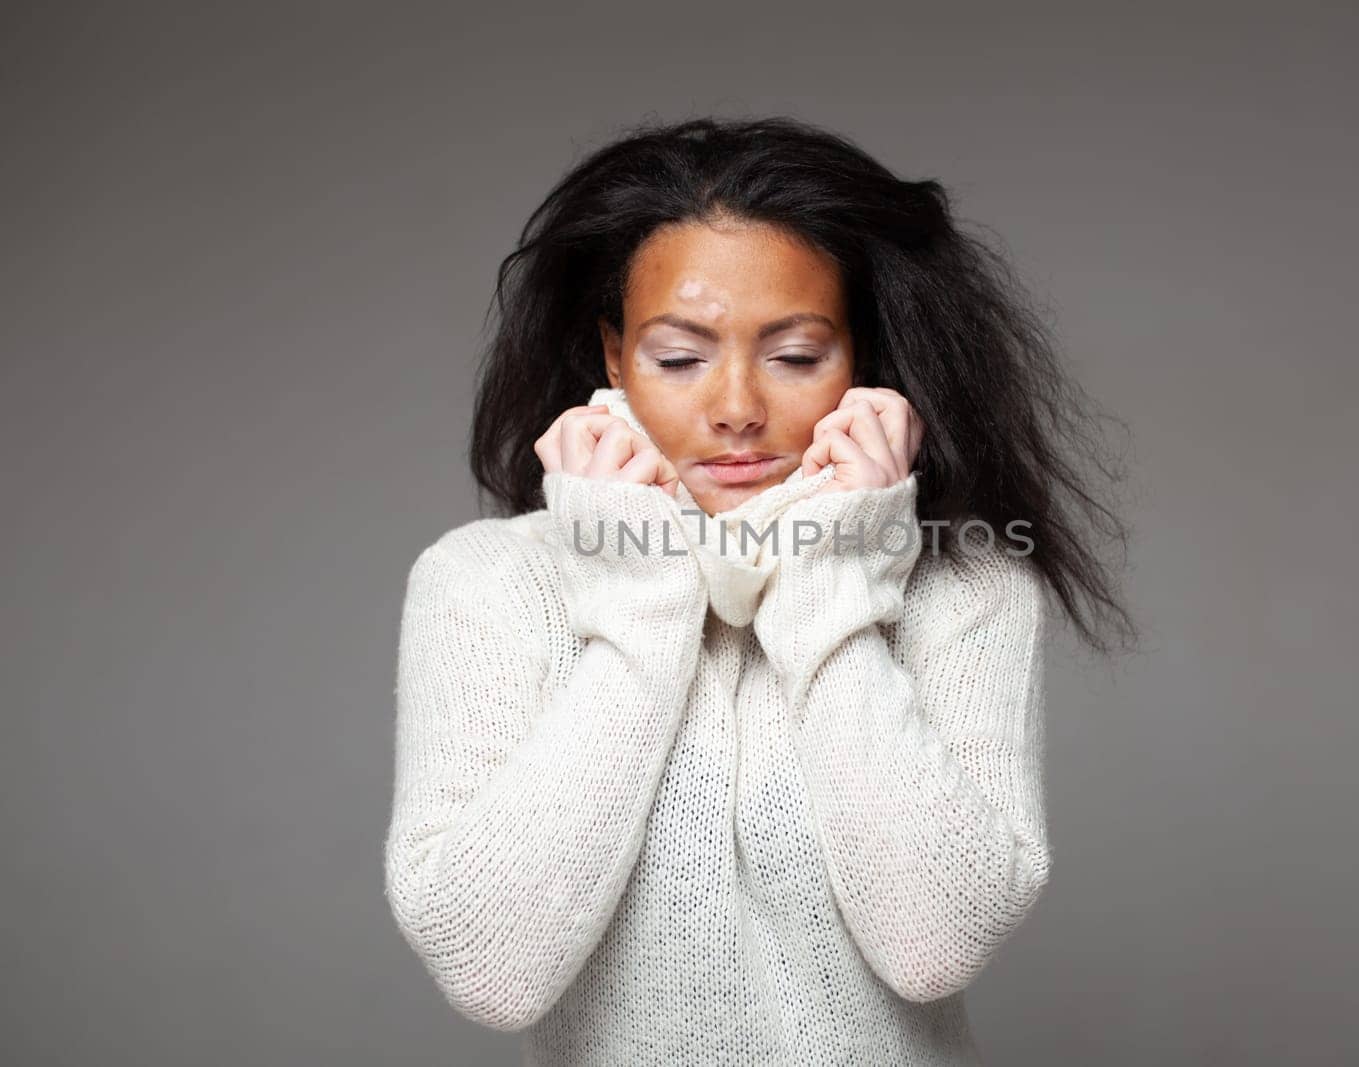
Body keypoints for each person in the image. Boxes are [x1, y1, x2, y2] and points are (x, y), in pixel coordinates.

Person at [382, 115, 1137, 1065]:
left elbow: (934, 943)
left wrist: (835, 576)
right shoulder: (484, 585)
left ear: (859, 360)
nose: (737, 408)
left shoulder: (966, 589)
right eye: (679, 357)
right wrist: (637, 599)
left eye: (793, 356)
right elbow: (495, 969)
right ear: (613, 357)